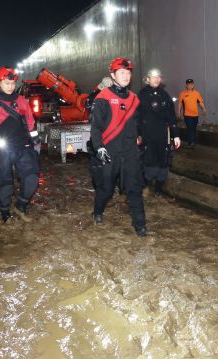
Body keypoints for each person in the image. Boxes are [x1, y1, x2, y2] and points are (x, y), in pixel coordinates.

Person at [90, 57, 147, 236]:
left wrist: (141, 138)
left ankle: (140, 225)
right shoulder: (103, 97)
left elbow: (139, 123)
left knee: (134, 188)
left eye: (128, 72)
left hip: (129, 152)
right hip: (109, 151)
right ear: (113, 75)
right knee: (106, 189)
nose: (126, 76)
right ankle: (97, 211)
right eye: (122, 72)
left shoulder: (134, 99)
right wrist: (99, 147)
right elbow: (95, 126)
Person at [0, 66, 40, 223]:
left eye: (13, 83)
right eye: (7, 83)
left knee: (32, 178)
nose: (11, 87)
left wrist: (36, 140)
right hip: (1, 146)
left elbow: (30, 123)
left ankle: (21, 206)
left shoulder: (22, 101)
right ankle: (5, 212)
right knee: (4, 181)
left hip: (22, 145)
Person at [138, 68, 180, 196]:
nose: (156, 79)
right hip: (147, 135)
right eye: (153, 77)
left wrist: (176, 135)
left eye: (158, 77)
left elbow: (171, 117)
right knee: (149, 160)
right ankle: (145, 184)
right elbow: (137, 117)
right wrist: (137, 134)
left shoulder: (164, 95)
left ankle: (159, 188)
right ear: (148, 79)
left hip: (162, 134)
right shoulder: (142, 94)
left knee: (163, 160)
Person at [178, 78, 206, 147]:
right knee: (190, 128)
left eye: (191, 84)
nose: (190, 86)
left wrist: (204, 108)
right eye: (188, 84)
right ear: (186, 85)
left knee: (193, 128)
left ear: (193, 85)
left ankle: (191, 141)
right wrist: (178, 111)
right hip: (187, 115)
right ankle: (191, 142)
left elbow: (200, 102)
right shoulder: (182, 94)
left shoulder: (196, 93)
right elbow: (180, 104)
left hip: (195, 115)